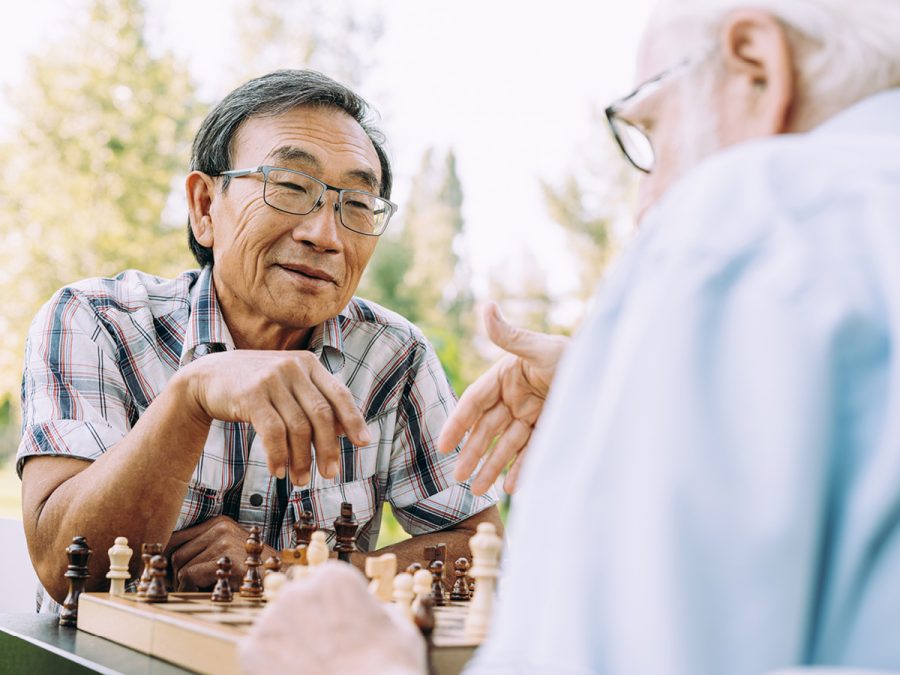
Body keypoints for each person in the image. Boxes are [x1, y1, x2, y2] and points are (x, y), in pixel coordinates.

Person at [242, 1, 900, 673]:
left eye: (651, 131)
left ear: (757, 68)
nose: (646, 209)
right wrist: (631, 400)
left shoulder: (754, 211)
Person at [17, 69, 501, 611]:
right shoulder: (95, 321)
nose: (325, 235)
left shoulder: (394, 356)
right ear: (204, 207)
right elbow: (64, 568)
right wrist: (190, 397)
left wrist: (294, 572)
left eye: (358, 205)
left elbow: (481, 549)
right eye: (292, 187)